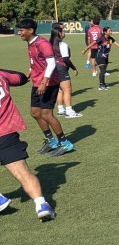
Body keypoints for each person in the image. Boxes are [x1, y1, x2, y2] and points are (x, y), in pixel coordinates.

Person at [0, 68, 57, 221]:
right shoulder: (2, 75)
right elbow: (21, 78)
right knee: (24, 173)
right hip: (7, 133)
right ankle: (41, 205)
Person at [16, 18, 74, 157]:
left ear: (30, 30)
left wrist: (44, 81)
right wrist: (31, 70)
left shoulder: (42, 43)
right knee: (35, 113)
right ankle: (51, 141)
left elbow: (52, 63)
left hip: (48, 84)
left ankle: (65, 143)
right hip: (37, 83)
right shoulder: (30, 43)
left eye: (22, 30)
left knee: (46, 114)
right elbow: (35, 60)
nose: (20, 33)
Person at [49, 24, 82, 119]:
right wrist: (74, 68)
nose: (64, 33)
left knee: (60, 90)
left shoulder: (49, 44)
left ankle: (60, 109)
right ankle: (69, 111)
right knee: (67, 90)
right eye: (63, 31)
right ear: (59, 33)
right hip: (61, 68)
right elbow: (66, 59)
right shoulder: (62, 45)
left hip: (53, 69)